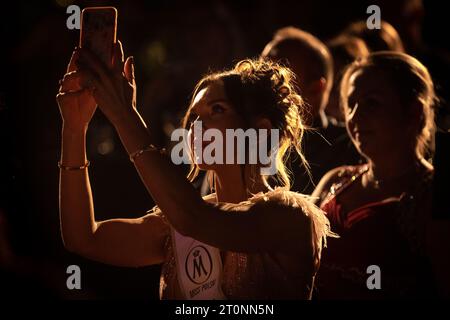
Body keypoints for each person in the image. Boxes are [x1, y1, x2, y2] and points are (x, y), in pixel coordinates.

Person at [56, 42, 333, 299]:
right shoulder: (174, 223)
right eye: (194, 117)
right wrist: (74, 127)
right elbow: (83, 238)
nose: (197, 126)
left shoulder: (290, 217)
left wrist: (124, 114)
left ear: (260, 131)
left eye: (216, 110)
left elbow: (195, 220)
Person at [313, 51, 449, 298]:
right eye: (351, 104)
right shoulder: (336, 180)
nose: (354, 117)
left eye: (371, 103)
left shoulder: (433, 195)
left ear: (413, 113)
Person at [261, 27, 360, 194]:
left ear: (316, 88)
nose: (258, 81)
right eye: (261, 69)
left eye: (277, 76)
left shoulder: (346, 148)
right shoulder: (245, 136)